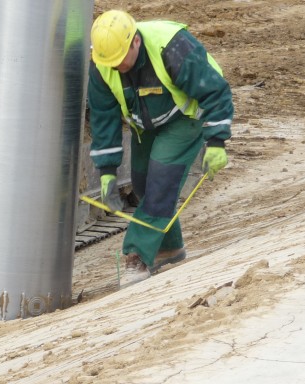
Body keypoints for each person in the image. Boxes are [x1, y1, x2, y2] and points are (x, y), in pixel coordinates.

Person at [88, 10, 233, 288]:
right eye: (111, 63)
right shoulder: (103, 63)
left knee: (160, 184)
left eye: (122, 60)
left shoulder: (173, 47)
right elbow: (103, 117)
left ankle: (137, 254)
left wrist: (216, 141)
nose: (117, 67)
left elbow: (216, 92)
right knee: (143, 185)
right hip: (147, 125)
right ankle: (170, 249)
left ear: (135, 43)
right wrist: (106, 171)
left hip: (185, 118)